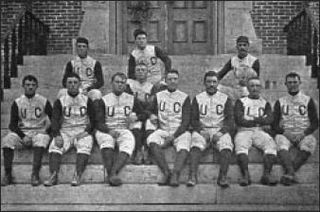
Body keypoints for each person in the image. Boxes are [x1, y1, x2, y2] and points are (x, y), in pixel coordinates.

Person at [94, 72, 148, 186]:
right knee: (107, 142)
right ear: (111, 84)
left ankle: (112, 173)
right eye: (117, 82)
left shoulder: (131, 99)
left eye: (122, 83)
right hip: (107, 129)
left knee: (129, 142)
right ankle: (112, 175)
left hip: (123, 129)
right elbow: (98, 122)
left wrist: (136, 117)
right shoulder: (103, 100)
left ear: (125, 85)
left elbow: (144, 113)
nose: (120, 85)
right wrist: (109, 131)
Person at [44, 72, 95, 187]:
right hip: (65, 130)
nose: (72, 85)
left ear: (80, 84)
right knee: (55, 145)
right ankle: (54, 175)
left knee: (85, 144)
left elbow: (94, 120)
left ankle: (78, 174)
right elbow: (55, 120)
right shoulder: (60, 101)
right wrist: (56, 135)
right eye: (70, 82)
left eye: (75, 82)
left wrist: (87, 132)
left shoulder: (87, 100)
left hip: (81, 131)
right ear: (66, 85)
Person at [1, 75, 52, 187]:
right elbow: (12, 124)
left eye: (33, 85)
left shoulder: (43, 101)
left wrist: (46, 131)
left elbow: (54, 120)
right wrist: (23, 136)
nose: (30, 87)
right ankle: (8, 174)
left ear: (37, 86)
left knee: (42, 139)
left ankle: (35, 174)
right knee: (7, 140)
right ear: (23, 86)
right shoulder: (17, 102)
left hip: (38, 131)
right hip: (22, 132)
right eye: (28, 85)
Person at [188, 71, 234, 188]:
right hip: (203, 130)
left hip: (219, 129)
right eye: (209, 82)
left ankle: (222, 176)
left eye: (214, 82)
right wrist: (200, 130)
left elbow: (230, 120)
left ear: (218, 83)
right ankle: (192, 175)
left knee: (226, 145)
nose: (211, 84)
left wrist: (221, 132)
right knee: (196, 144)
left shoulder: (225, 98)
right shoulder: (198, 98)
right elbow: (193, 119)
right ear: (204, 83)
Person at [147, 69, 191, 187]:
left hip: (179, 131)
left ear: (178, 80)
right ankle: (166, 172)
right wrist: (151, 114)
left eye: (175, 79)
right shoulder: (159, 96)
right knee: (152, 139)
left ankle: (175, 174)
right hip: (164, 129)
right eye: (170, 79)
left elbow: (186, 121)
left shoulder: (184, 97)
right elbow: (149, 109)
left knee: (185, 143)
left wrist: (173, 137)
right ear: (165, 81)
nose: (172, 81)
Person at [272, 72, 318, 186]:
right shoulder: (280, 101)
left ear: (300, 83)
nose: (292, 85)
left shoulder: (308, 100)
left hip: (302, 132)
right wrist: (285, 133)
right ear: (285, 84)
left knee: (311, 142)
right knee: (279, 140)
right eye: (290, 83)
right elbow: (274, 124)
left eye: (295, 82)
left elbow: (315, 122)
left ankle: (289, 173)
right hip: (286, 133)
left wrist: (304, 133)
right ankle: (291, 173)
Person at [234, 77, 278, 186]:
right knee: (241, 145)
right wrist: (260, 120)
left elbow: (270, 119)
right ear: (248, 88)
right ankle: (245, 175)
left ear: (261, 88)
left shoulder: (265, 103)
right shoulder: (241, 102)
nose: (254, 88)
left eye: (257, 86)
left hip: (259, 131)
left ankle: (266, 175)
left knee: (270, 145)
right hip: (244, 130)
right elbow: (239, 120)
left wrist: (251, 120)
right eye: (252, 86)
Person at [126, 60, 165, 165]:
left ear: (148, 73)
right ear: (134, 73)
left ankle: (148, 151)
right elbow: (130, 103)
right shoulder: (129, 85)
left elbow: (152, 105)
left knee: (150, 123)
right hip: (135, 113)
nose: (140, 72)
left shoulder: (152, 87)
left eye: (143, 70)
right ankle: (138, 150)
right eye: (138, 70)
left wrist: (146, 114)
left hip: (147, 114)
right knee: (135, 122)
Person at [218, 36, 260, 100]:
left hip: (248, 88)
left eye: (244, 45)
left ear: (248, 46)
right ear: (236, 47)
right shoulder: (233, 60)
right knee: (219, 89)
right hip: (235, 87)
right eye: (240, 45)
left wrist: (246, 83)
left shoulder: (254, 60)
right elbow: (222, 73)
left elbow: (256, 79)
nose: (242, 47)